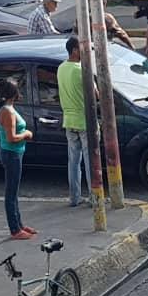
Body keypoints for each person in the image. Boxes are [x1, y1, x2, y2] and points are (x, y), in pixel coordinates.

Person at [0, 78, 35, 239]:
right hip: (11, 153)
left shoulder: (9, 108)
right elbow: (11, 137)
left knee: (14, 191)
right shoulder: (7, 112)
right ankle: (15, 229)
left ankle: (19, 224)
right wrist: (26, 134)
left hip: (15, 153)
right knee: (11, 193)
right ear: (13, 93)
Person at [58, 36, 94, 207]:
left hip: (69, 121)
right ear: (74, 50)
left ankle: (75, 197)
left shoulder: (61, 68)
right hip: (84, 120)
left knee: (73, 162)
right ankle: (95, 196)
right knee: (90, 161)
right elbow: (96, 94)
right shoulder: (81, 70)